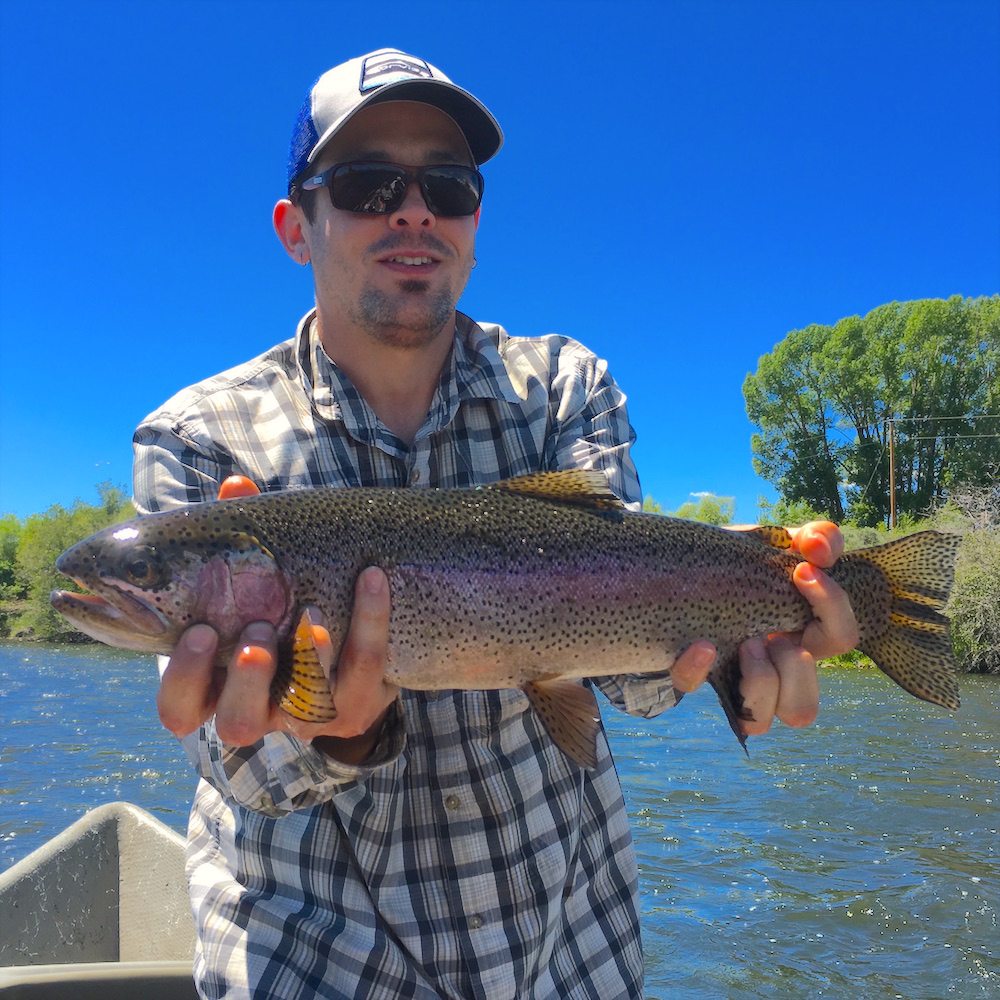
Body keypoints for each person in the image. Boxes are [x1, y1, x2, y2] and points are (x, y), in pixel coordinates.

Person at [135, 48, 859, 1000]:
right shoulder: (197, 441)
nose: (413, 210)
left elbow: (635, 681)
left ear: (474, 224)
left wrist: (741, 658)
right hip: (312, 959)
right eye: (365, 184)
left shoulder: (566, 388)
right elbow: (242, 770)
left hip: (574, 949)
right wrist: (334, 732)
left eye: (447, 185)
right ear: (295, 228)